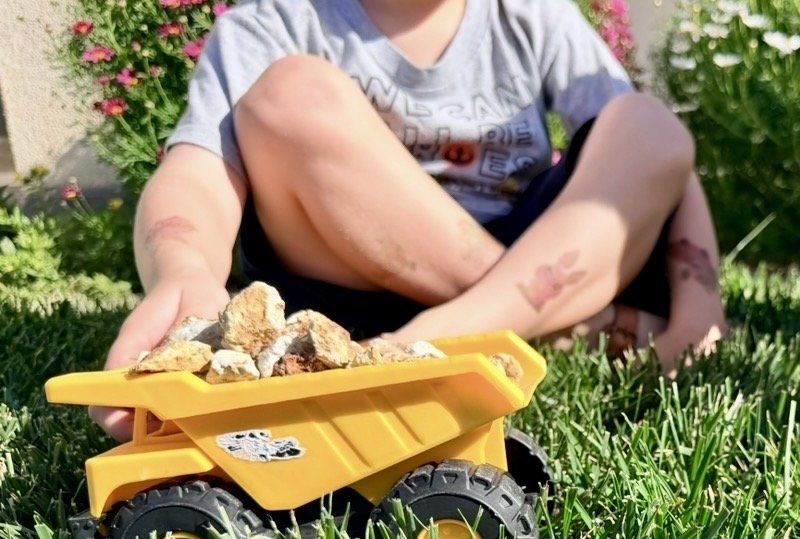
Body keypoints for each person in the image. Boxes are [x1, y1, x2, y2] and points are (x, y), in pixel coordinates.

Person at [93, 0, 727, 441]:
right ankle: (558, 324)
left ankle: (446, 332)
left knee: (645, 123)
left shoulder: (534, 16)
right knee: (291, 95)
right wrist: (185, 266)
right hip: (346, 278)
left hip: (524, 243)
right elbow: (199, 168)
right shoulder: (276, 23)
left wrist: (701, 310)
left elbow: (660, 155)